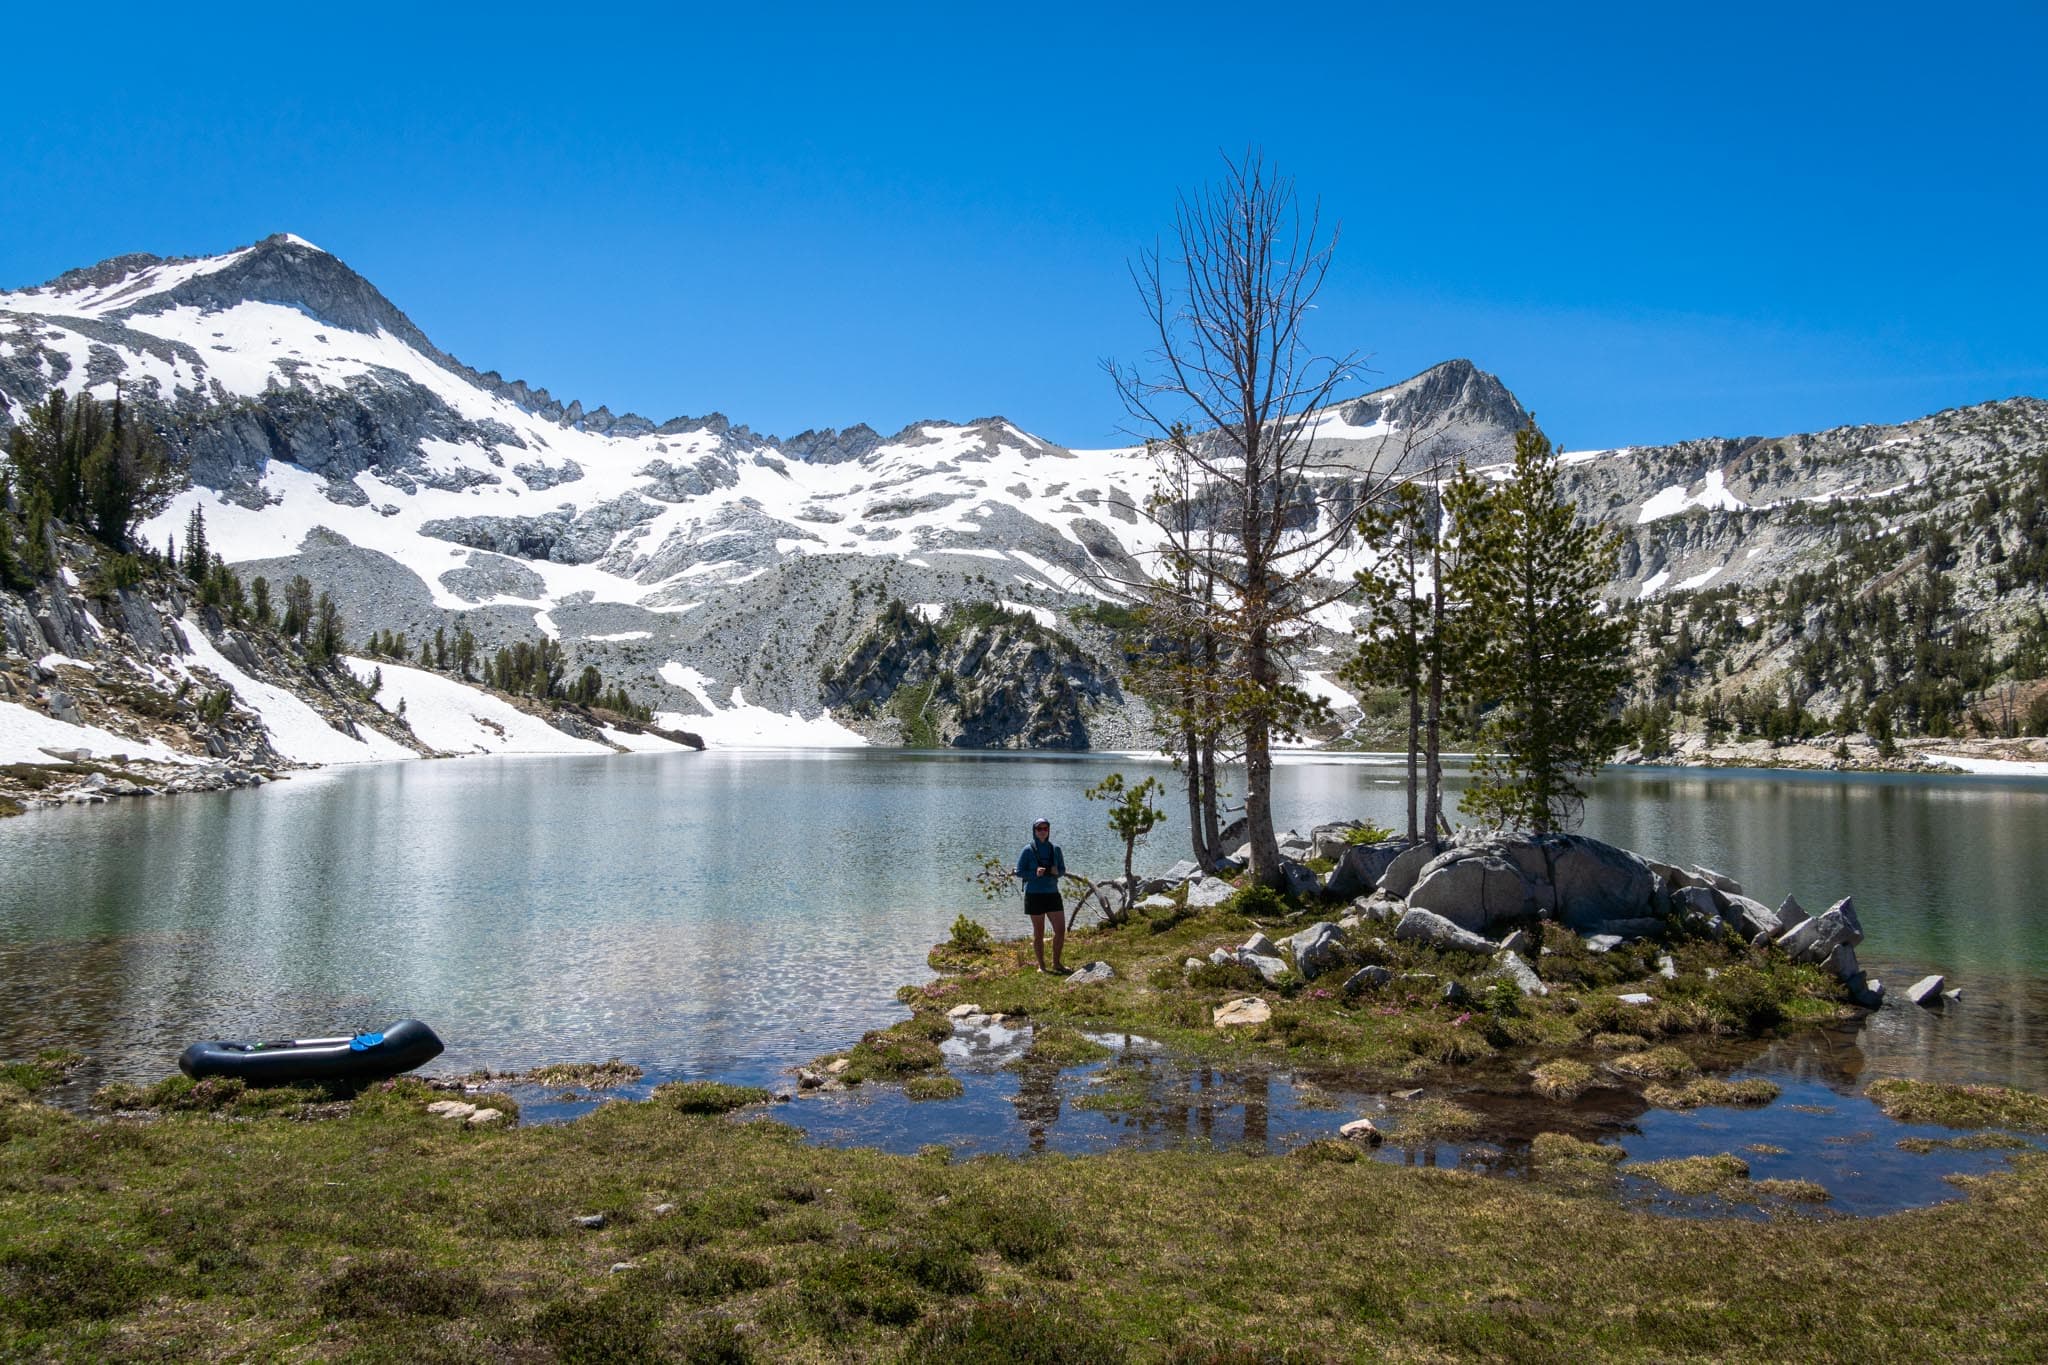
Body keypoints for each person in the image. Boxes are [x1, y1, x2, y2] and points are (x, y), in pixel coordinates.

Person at [1015, 817, 1069, 973]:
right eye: (1039, 829)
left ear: (1049, 830)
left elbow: (1063, 870)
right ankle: (1042, 967)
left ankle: (1057, 963)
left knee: (1060, 930)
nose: (1042, 831)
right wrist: (1034, 873)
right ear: (1034, 831)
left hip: (1052, 894)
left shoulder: (1055, 849)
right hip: (1034, 895)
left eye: (1045, 828)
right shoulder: (1027, 850)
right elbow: (1019, 872)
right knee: (1039, 933)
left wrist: (1056, 872)